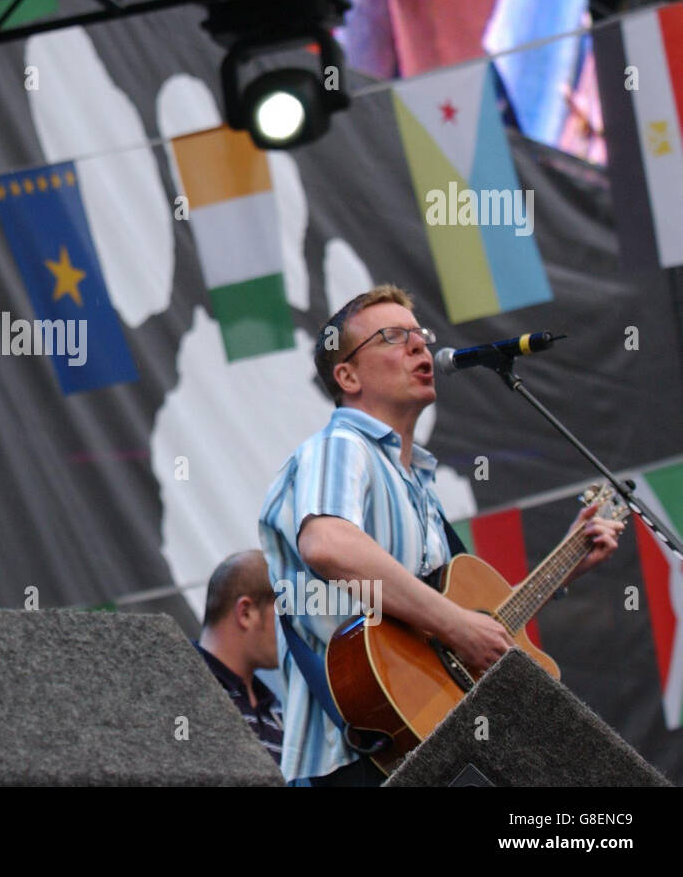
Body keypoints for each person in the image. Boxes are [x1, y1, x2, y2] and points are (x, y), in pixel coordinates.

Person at [258, 285, 623, 787]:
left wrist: (564, 567)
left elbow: (445, 631)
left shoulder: (415, 481)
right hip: (350, 757)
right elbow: (329, 545)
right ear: (347, 375)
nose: (418, 347)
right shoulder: (342, 446)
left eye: (419, 335)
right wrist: (456, 625)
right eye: (392, 337)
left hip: (417, 745)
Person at [195, 550, 284, 766]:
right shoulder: (178, 685)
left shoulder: (276, 712)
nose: (291, 631)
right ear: (246, 612)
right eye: (284, 614)